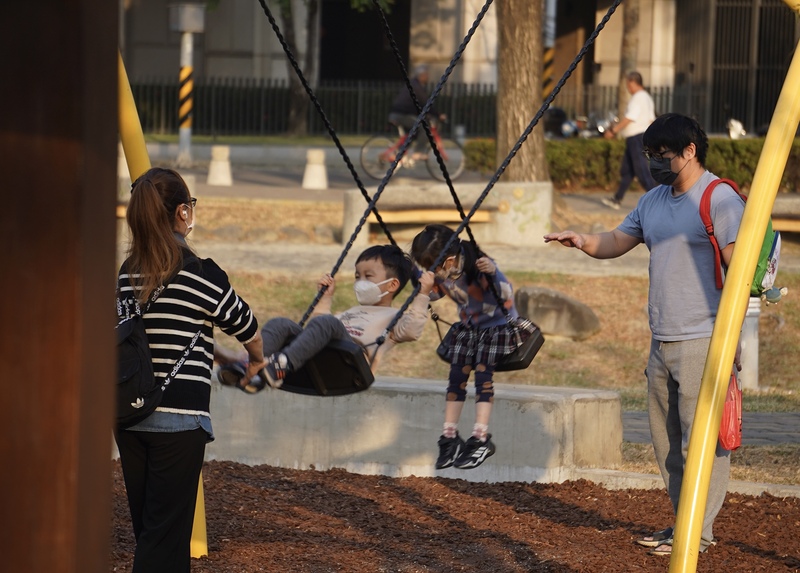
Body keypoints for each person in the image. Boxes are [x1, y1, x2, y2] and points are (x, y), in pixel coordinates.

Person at [544, 113, 745, 555]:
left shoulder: (720, 199)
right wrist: (583, 241)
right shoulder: (653, 200)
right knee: (670, 444)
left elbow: (742, 267)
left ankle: (698, 534)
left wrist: (733, 343)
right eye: (649, 155)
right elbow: (617, 239)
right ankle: (682, 524)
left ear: (690, 151)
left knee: (703, 444)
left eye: (662, 155)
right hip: (662, 338)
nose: (654, 162)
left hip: (704, 337)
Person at [115, 167, 267, 573]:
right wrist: (255, 360)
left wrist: (218, 356)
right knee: (165, 538)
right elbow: (247, 326)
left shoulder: (128, 272)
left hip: (130, 415)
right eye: (191, 206)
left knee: (151, 529)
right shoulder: (202, 272)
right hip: (179, 420)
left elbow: (148, 335)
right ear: (182, 212)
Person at [219, 244, 434, 391]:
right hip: (318, 360)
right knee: (281, 324)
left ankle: (279, 365)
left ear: (393, 285)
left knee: (327, 322)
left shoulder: (393, 316)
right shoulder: (349, 312)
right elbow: (317, 329)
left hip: (350, 367)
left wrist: (423, 294)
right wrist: (325, 299)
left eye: (368, 276)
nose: (360, 281)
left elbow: (412, 330)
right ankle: (250, 367)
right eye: (357, 276)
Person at [410, 224, 536, 470]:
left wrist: (493, 272)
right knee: (456, 375)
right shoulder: (444, 273)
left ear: (449, 260)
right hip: (469, 329)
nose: (433, 273)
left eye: (433, 267)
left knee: (482, 374)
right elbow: (434, 295)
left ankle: (480, 438)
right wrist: (421, 284)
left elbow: (506, 293)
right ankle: (450, 436)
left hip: (498, 328)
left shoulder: (479, 267)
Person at [602, 71, 658, 210]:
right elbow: (651, 119)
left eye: (628, 84)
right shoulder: (647, 98)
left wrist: (613, 131)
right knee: (628, 170)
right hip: (640, 136)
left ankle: (658, 200)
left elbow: (630, 118)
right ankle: (617, 199)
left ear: (633, 83)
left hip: (636, 137)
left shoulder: (638, 98)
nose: (628, 87)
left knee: (641, 171)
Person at [388, 64, 446, 158]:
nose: (428, 77)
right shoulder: (417, 87)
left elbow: (417, 105)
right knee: (424, 128)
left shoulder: (413, 84)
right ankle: (418, 152)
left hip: (398, 114)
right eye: (426, 75)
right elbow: (426, 104)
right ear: (421, 75)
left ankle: (399, 152)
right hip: (401, 115)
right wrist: (438, 115)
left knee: (413, 133)